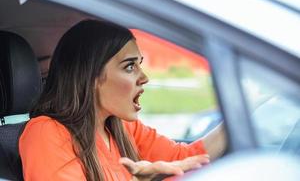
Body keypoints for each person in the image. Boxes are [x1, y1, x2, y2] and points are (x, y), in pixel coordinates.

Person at [19, 19, 224, 181]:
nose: (144, 77)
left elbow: (185, 159)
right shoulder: (45, 133)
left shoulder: (123, 127)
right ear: (91, 77)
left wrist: (247, 117)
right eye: (129, 66)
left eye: (139, 64)